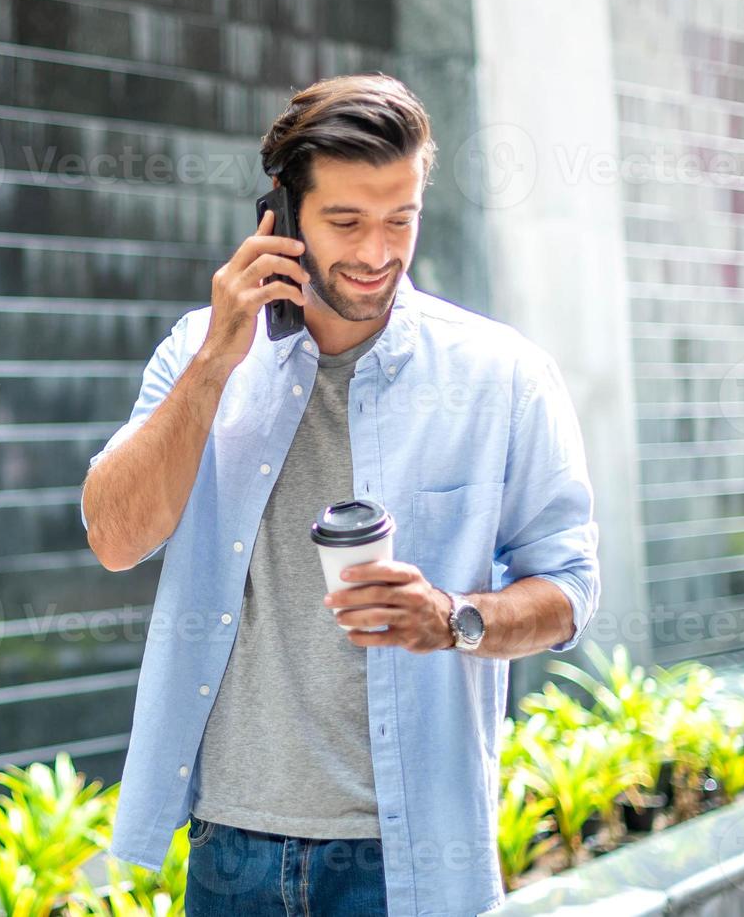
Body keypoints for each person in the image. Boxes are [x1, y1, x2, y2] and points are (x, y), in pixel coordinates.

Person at [79, 72, 601, 916]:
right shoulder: (201, 354)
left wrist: (455, 619)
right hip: (232, 845)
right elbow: (114, 537)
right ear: (280, 216)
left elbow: (569, 589)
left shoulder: (503, 376)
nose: (375, 253)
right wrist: (216, 359)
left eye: (401, 219)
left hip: (411, 857)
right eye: (345, 221)